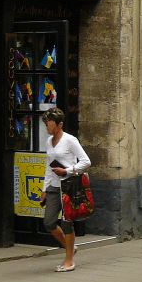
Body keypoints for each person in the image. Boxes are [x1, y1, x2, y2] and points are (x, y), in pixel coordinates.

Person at [42, 108, 91, 273]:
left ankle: (69, 260)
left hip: (69, 186)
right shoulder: (49, 142)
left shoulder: (70, 140)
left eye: (49, 123)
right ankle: (70, 247)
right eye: (46, 123)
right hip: (54, 187)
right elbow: (48, 166)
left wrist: (67, 171)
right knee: (49, 222)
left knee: (67, 223)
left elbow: (86, 162)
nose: (47, 126)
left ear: (59, 124)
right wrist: (44, 188)